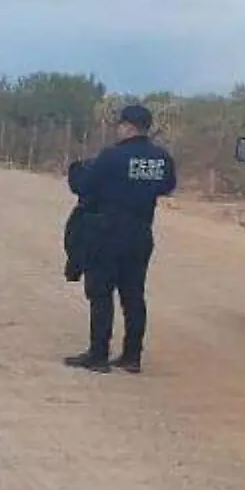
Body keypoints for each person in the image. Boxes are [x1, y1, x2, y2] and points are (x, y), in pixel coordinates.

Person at [64, 104, 177, 374]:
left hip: (105, 232)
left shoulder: (111, 156)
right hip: (140, 233)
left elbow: (83, 185)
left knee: (101, 293)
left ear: (127, 126)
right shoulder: (161, 158)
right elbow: (167, 186)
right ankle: (132, 356)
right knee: (133, 295)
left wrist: (79, 169)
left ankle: (99, 354)